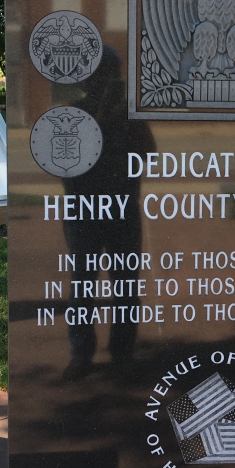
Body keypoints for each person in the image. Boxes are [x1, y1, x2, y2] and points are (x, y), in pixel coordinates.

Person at [61, 44, 154, 379]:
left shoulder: (129, 113)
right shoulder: (74, 111)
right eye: (103, 75)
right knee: (83, 286)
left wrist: (126, 118)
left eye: (113, 75)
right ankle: (81, 354)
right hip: (83, 211)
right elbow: (65, 162)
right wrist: (98, 116)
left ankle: (122, 353)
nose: (109, 81)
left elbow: (148, 153)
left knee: (126, 287)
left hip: (122, 210)